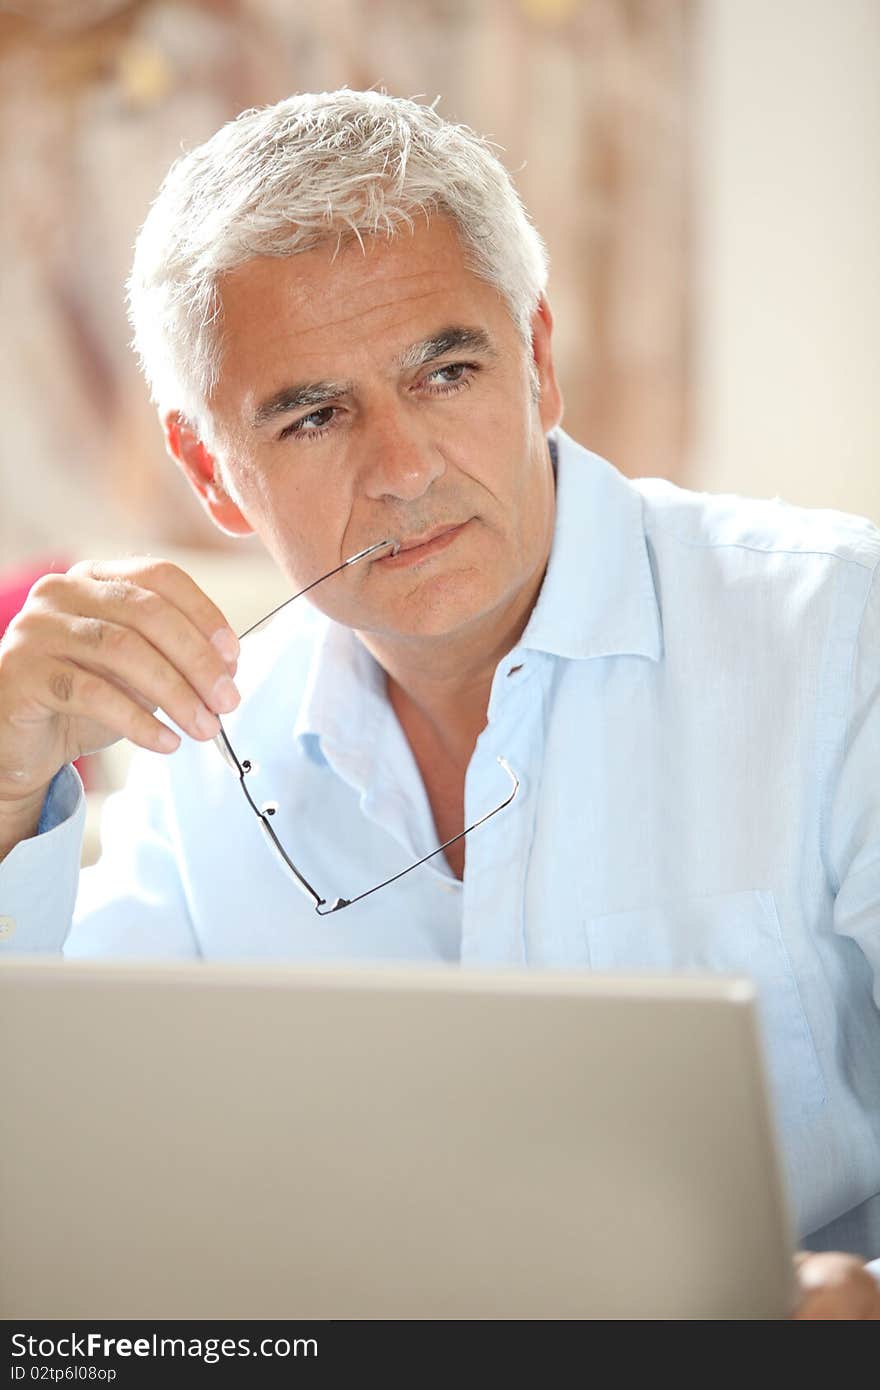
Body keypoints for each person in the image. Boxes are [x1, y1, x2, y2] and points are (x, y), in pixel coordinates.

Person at [0, 90, 878, 1318]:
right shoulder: (214, 737)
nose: (403, 469)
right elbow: (50, 1161)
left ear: (539, 364)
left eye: (447, 370)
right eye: (312, 414)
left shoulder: (843, 636)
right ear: (211, 472)